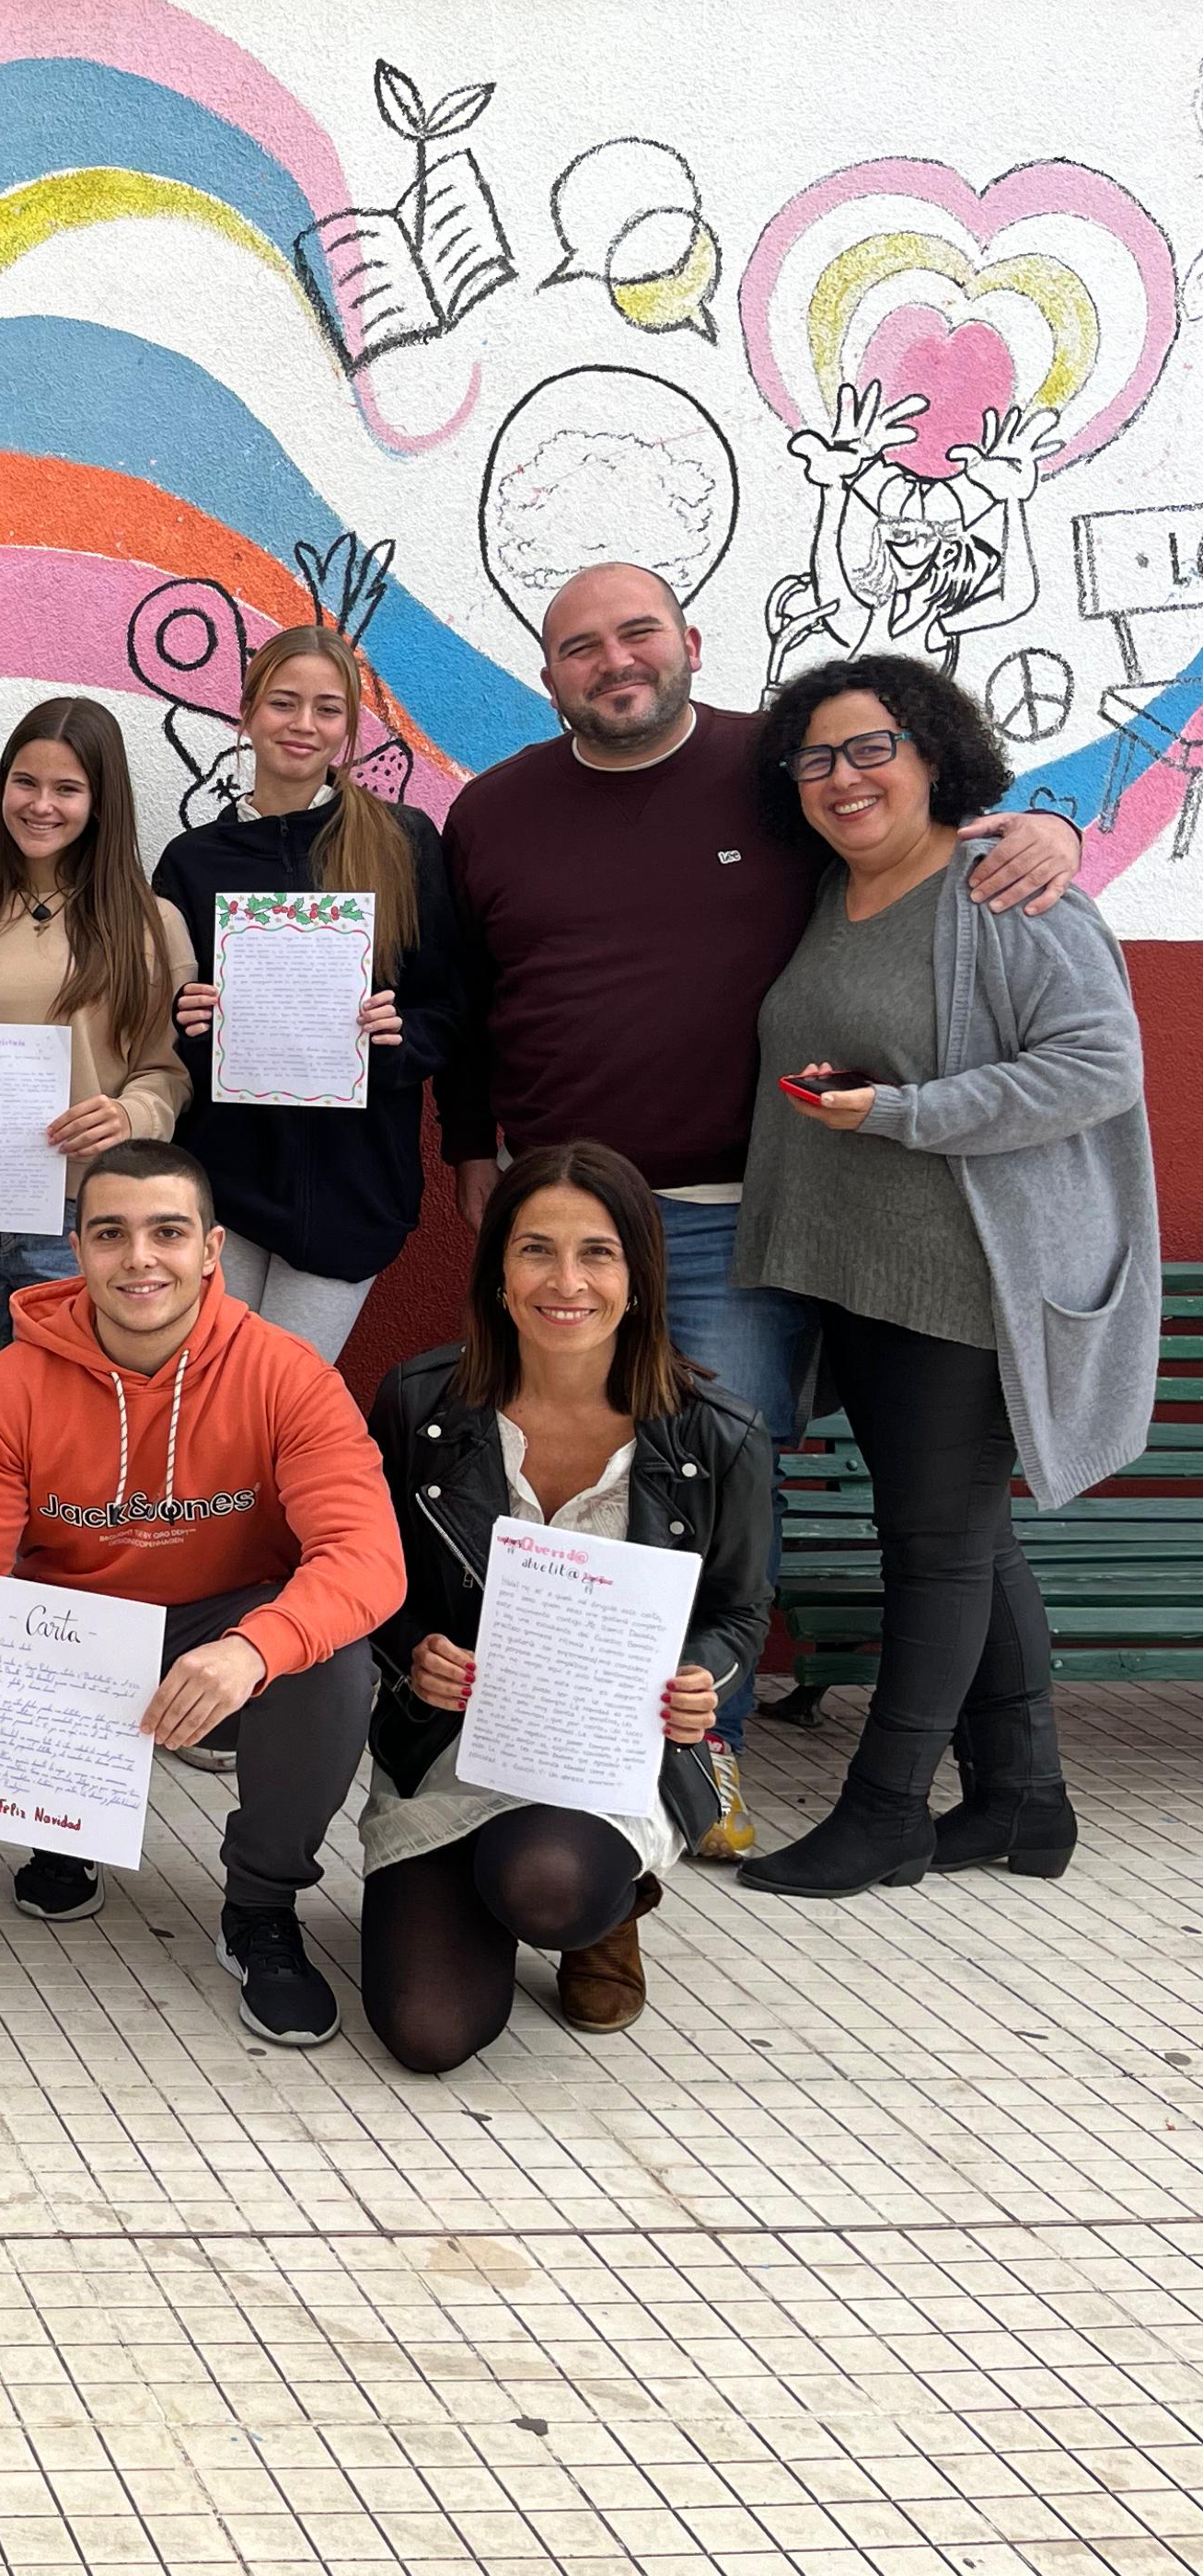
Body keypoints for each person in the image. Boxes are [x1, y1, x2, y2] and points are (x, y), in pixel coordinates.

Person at [434, 560, 1080, 1839]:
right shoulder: (493, 813)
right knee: (571, 1482)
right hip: (571, 1217)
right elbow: (467, 1008)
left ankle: (703, 1757)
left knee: (713, 1487)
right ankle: (564, 1744)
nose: (613, 662)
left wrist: (1048, 823)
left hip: (746, 1208)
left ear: (687, 640)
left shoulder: (776, 772)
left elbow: (923, 820)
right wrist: (471, 1153)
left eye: (636, 634)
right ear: (546, 672)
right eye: (579, 647)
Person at [730, 657, 1154, 1897]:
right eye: (815, 759)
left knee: (935, 1548)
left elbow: (1097, 1067)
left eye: (871, 750)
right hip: (860, 1275)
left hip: (963, 1284)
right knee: (971, 1538)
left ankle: (889, 1811)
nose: (843, 778)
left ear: (932, 757)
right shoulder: (833, 893)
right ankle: (1026, 1804)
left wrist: (907, 1114)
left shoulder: (1007, 890)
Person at [0, 1141, 400, 2047]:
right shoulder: (12, 1385)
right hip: (73, 1641)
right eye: (111, 1233)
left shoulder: (287, 1376)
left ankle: (262, 1907)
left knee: (331, 1657)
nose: (140, 1258)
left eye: (167, 1232)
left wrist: (254, 1648)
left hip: (219, 1641)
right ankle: (67, 1824)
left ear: (211, 1248)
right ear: (77, 1249)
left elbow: (366, 1556)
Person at [362, 1146, 771, 2072]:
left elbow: (741, 1613)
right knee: (430, 2035)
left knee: (547, 1887)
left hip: (613, 1760)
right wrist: (413, 1653)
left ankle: (602, 1908)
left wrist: (704, 1676)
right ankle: (475, 1889)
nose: (566, 1281)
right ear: (498, 1270)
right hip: (454, 1752)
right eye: (536, 1250)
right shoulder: (421, 1402)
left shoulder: (718, 1431)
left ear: (638, 1274)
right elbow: (368, 1581)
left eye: (598, 1253)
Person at [0, 698, 192, 1504]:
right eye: (25, 783)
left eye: (67, 789)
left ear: (102, 802)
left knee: (80, 1442)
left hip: (77, 1224)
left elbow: (170, 1071)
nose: (41, 805)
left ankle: (57, 1623)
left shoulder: (152, 928)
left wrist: (131, 1116)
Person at [154, 624, 468, 1366]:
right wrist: (186, 1019)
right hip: (223, 1181)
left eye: (327, 709)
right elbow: (157, 1026)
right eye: (283, 703)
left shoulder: (401, 839)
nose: (303, 726)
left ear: (349, 729)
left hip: (348, 1187)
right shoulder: (193, 860)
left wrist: (397, 1039)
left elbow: (447, 1009)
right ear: (247, 712)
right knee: (209, 1404)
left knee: (280, 1403)